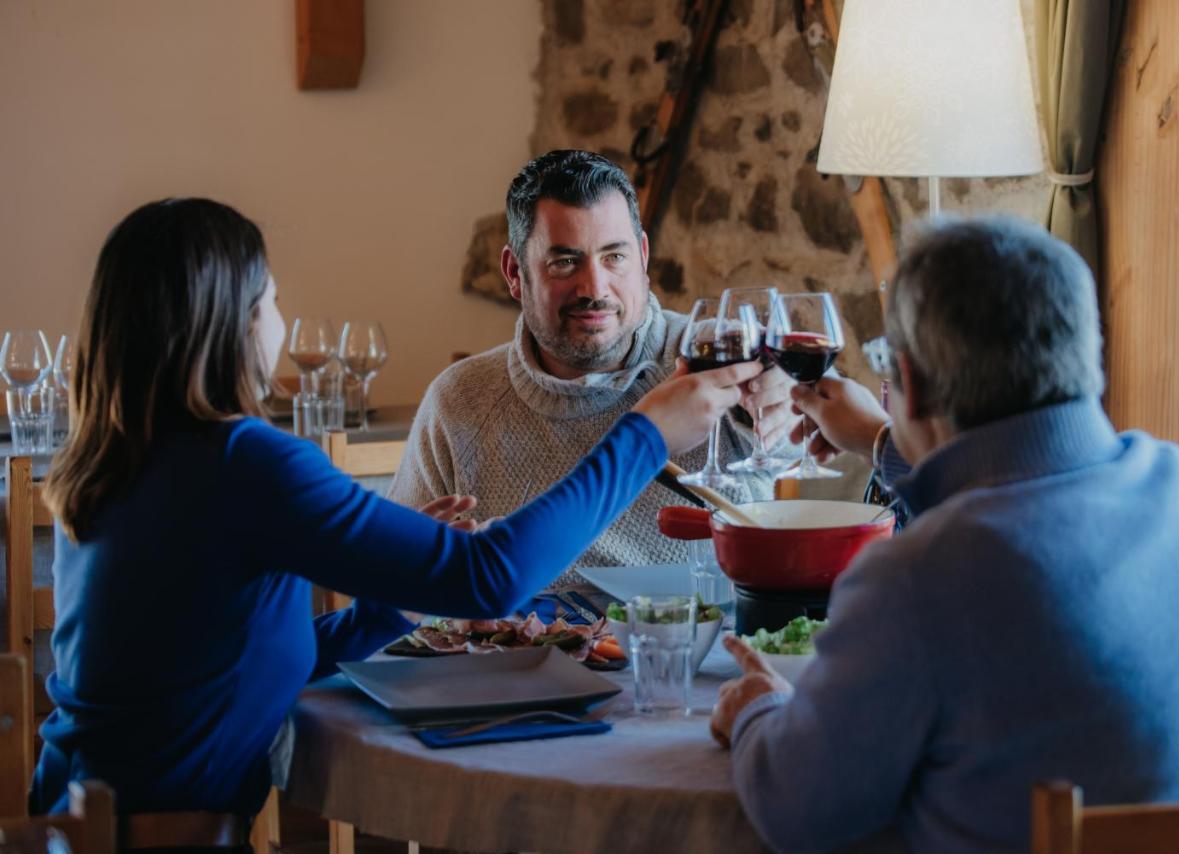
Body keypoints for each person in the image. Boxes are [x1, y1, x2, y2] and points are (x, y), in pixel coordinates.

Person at [32, 198, 761, 824]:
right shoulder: (245, 463)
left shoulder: (109, 466)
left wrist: (392, 608)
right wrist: (644, 436)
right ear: (235, 323)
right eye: (273, 300)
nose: (280, 319)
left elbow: (235, 659)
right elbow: (491, 577)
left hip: (73, 821)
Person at [709, 216, 1179, 853]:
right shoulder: (1177, 486)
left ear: (912, 383)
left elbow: (799, 812)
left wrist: (757, 705)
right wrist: (882, 443)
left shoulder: (917, 577)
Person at [388, 150, 799, 580]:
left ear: (642, 257)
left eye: (614, 257)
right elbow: (397, 576)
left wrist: (786, 396)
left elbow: (801, 437)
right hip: (519, 645)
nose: (594, 287)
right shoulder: (460, 400)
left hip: (702, 642)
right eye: (565, 262)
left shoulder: (715, 355)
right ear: (514, 272)